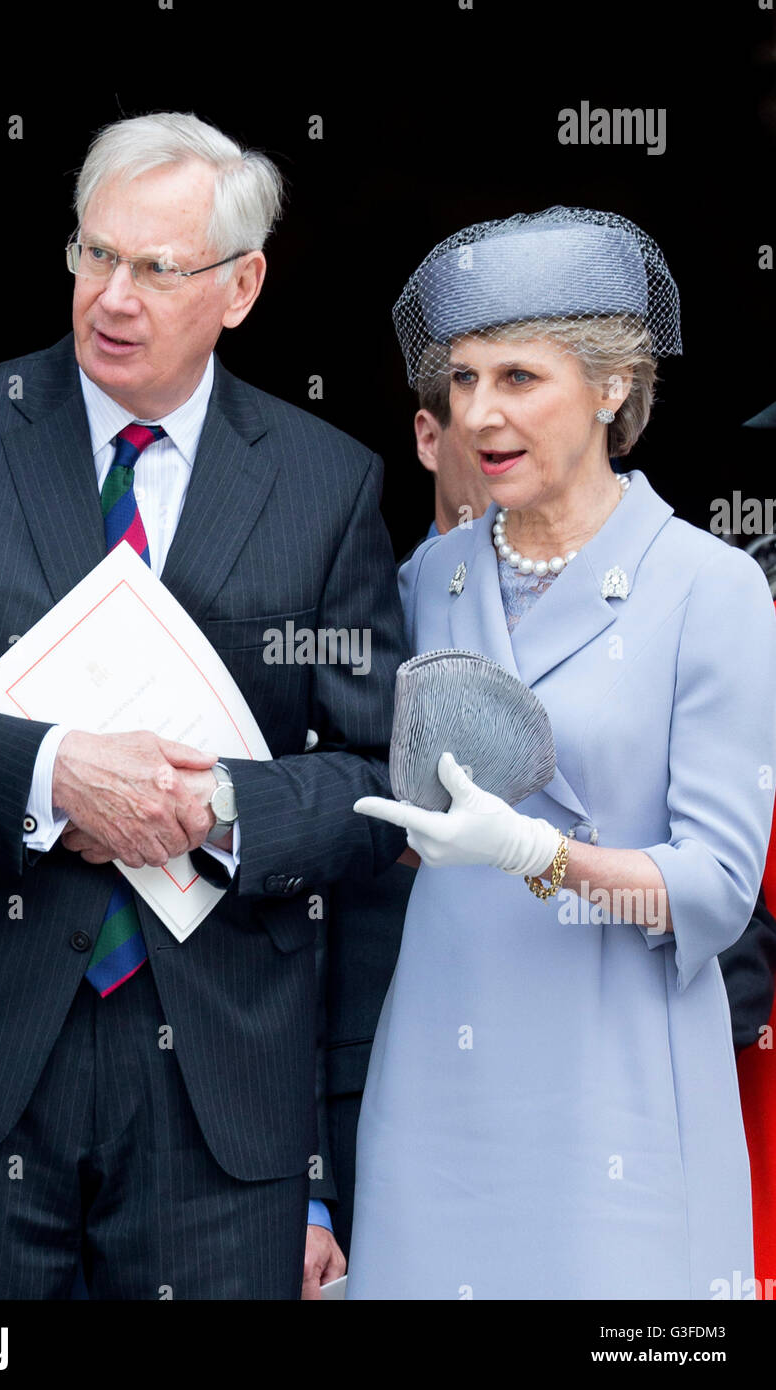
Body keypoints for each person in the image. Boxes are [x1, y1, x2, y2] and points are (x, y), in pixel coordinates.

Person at [0, 111, 407, 1300]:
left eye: (156, 269)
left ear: (241, 285)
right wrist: (50, 778)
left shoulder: (326, 482)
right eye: (94, 254)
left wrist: (218, 808)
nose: (112, 296)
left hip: (218, 1097)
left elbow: (378, 776)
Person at [348, 207, 776, 1299]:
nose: (479, 413)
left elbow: (718, 891)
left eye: (519, 379)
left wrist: (530, 853)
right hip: (438, 1091)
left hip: (615, 1086)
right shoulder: (424, 583)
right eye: (463, 380)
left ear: (611, 386)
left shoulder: (708, 588)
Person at [318, 353, 491, 1256]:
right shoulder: (335, 626)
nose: (505, 428)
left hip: (582, 1076)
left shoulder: (648, 623)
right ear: (427, 435)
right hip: (367, 1076)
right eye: (474, 396)